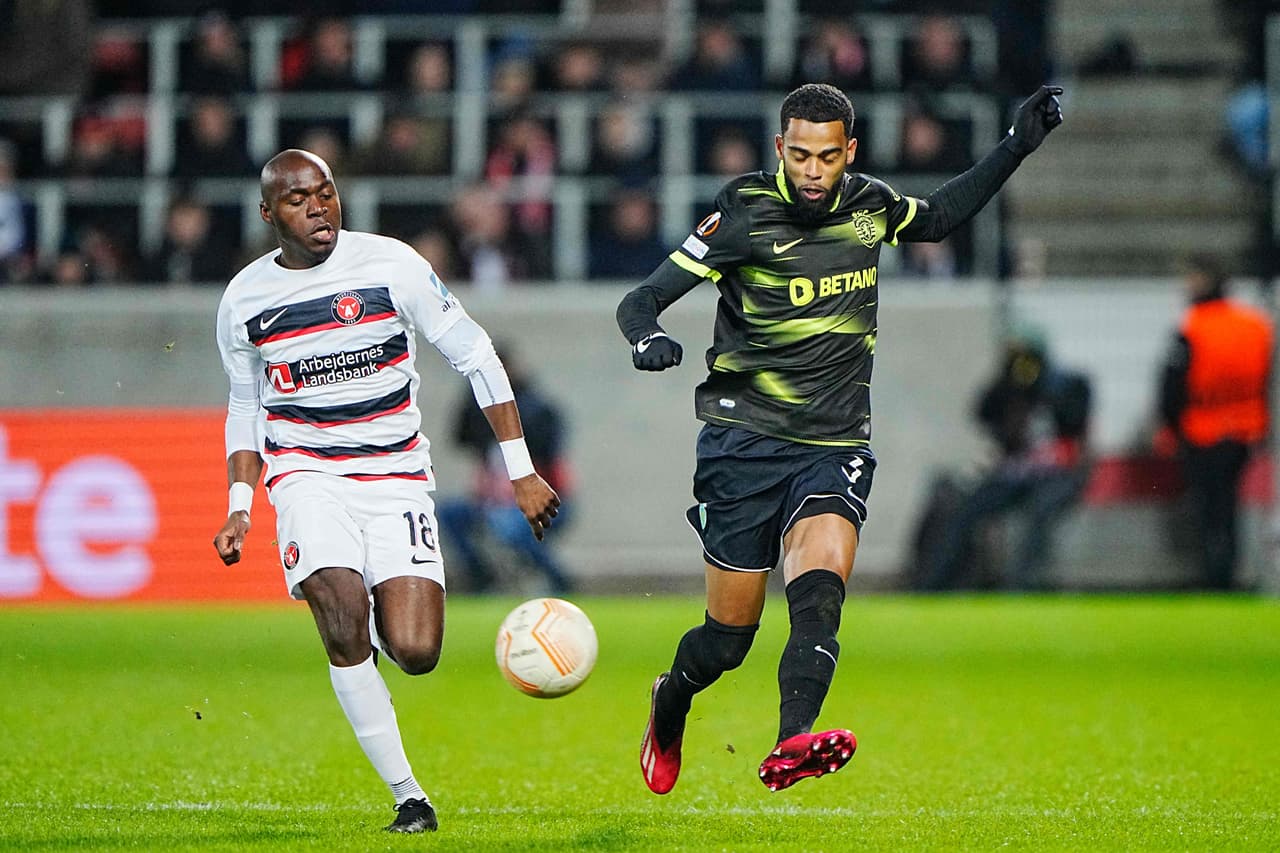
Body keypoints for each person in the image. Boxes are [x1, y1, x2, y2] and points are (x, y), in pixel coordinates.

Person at [616, 82, 1063, 795]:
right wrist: (646, 336)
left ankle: (792, 738)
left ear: (849, 151)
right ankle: (670, 701)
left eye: (827, 157)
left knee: (820, 593)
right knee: (728, 640)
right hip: (743, 441)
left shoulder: (870, 206)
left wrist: (1015, 147)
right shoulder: (742, 210)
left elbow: (940, 216)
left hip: (834, 440)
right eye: (800, 156)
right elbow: (642, 298)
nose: (813, 171)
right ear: (779, 149)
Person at [211, 149, 560, 833]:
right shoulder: (244, 300)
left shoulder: (391, 265)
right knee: (341, 615)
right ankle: (410, 796)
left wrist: (520, 469)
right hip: (307, 475)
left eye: (326, 192)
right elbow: (244, 406)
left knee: (416, 651)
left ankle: (366, 624)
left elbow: (476, 354)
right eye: (298, 199)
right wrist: (240, 506)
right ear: (268, 214)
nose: (318, 208)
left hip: (397, 477)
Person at [915, 334, 1093, 591]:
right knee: (966, 509)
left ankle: (1022, 585)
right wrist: (1009, 385)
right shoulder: (1009, 388)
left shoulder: (1066, 385)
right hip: (1015, 473)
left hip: (1056, 474)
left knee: (1040, 512)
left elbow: (1075, 418)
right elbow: (982, 412)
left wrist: (1041, 387)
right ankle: (935, 584)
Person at [1158, 254, 1273, 590]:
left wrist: (1169, 425)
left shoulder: (1193, 326)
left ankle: (1214, 574)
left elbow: (1173, 384)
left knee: (1208, 507)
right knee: (1228, 503)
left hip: (1201, 427)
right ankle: (1229, 569)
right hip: (1245, 427)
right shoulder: (1254, 325)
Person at [438, 343, 575, 594]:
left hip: (545, 498)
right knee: (449, 514)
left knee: (511, 527)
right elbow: (460, 437)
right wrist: (475, 394)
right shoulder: (478, 411)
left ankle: (559, 581)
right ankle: (482, 578)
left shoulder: (537, 408)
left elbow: (548, 450)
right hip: (492, 501)